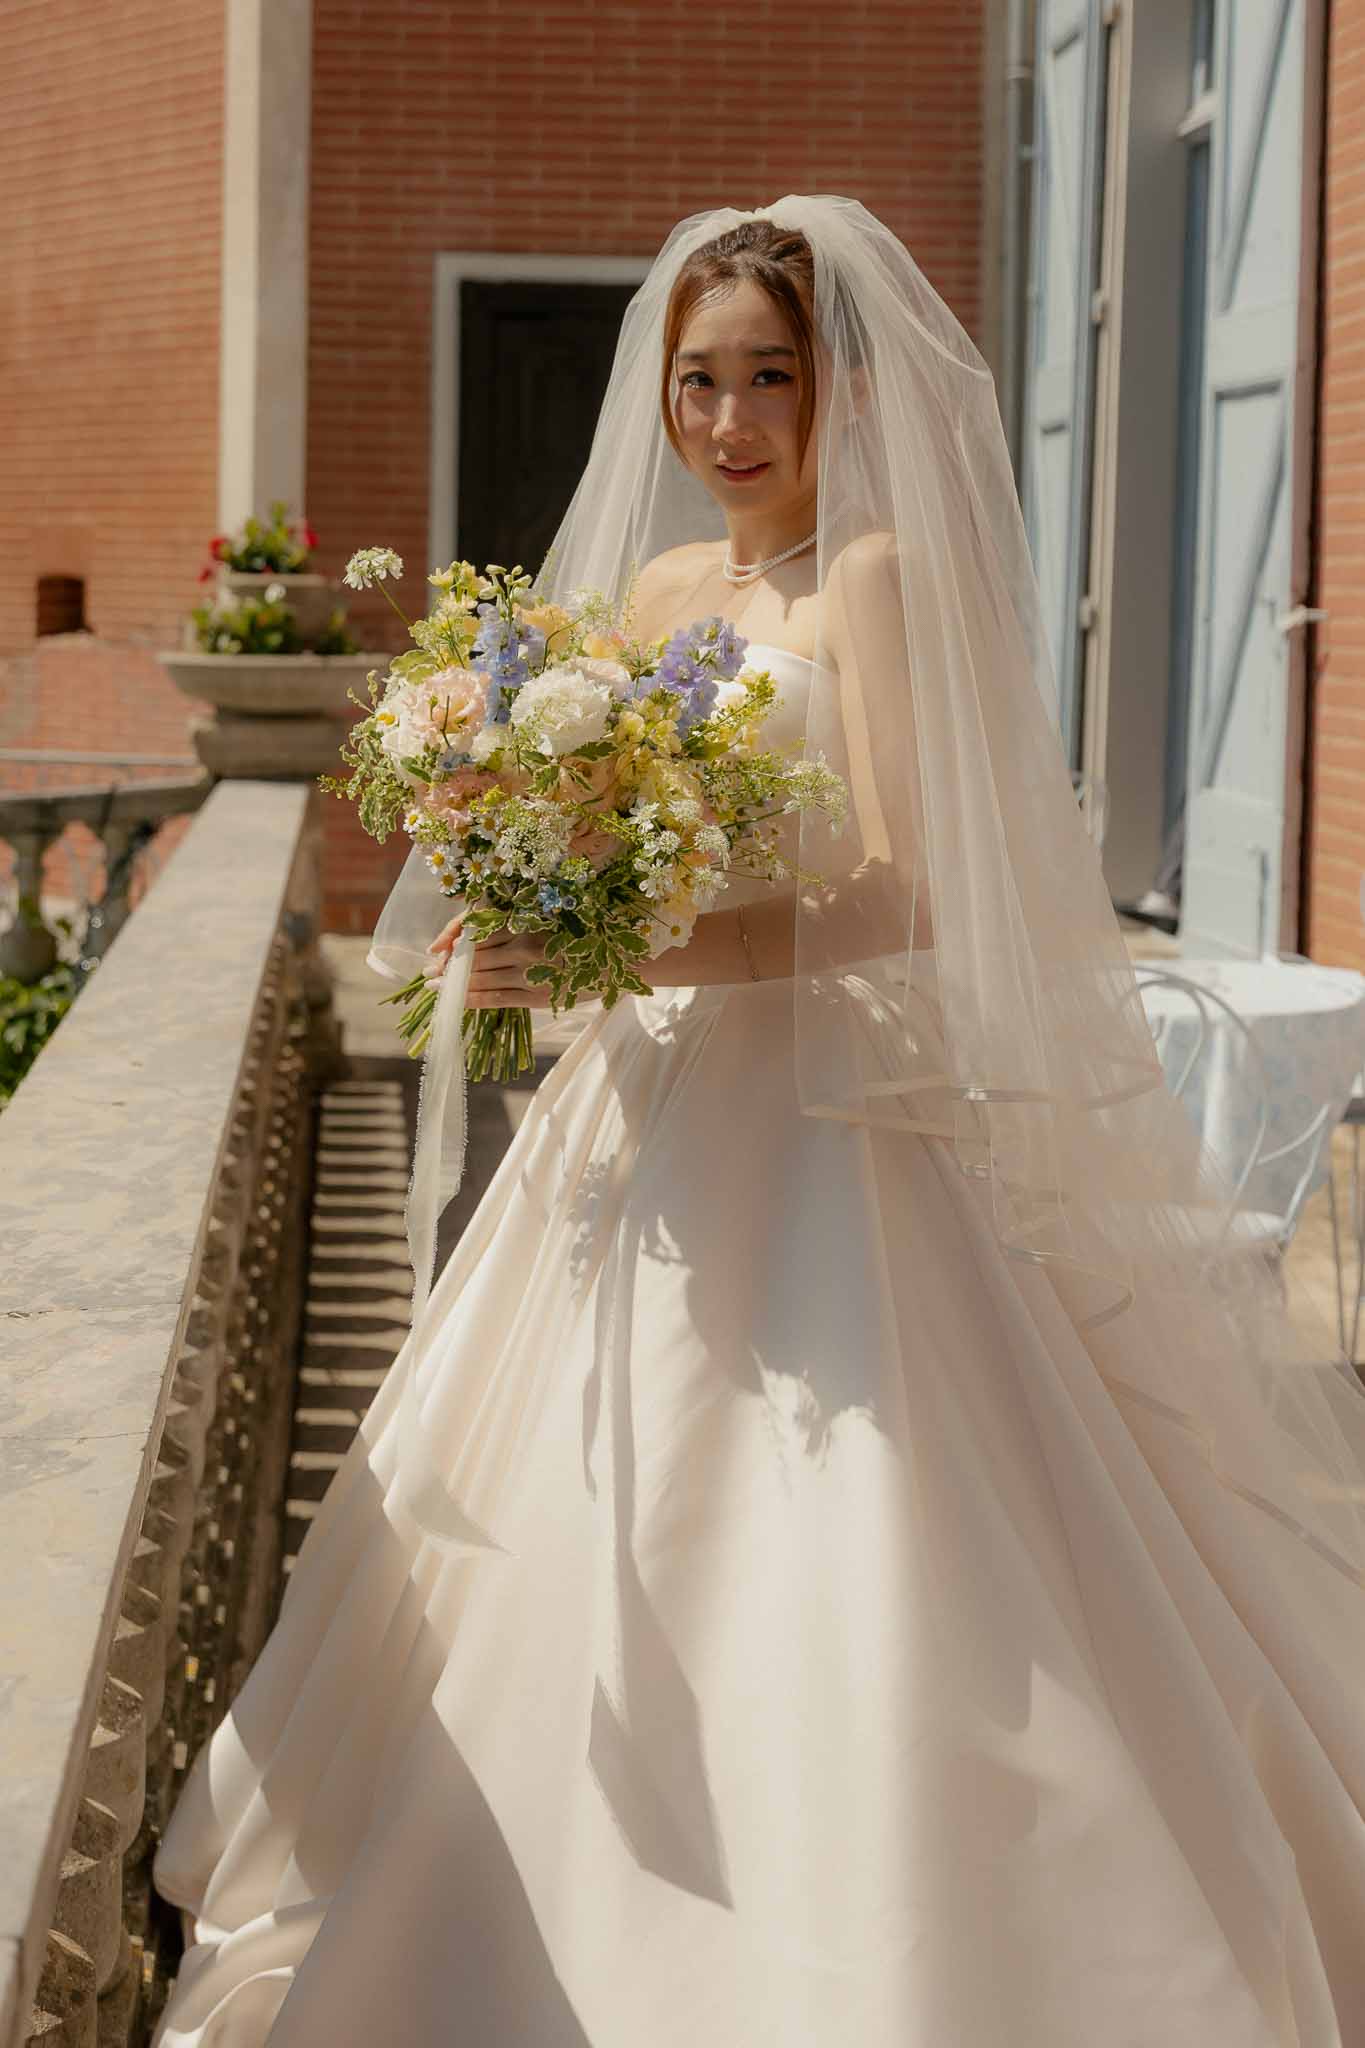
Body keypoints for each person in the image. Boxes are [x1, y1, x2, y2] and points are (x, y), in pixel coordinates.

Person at [150, 197, 1365, 2046]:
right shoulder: (649, 604)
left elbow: (907, 890)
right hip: (644, 1111)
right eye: (697, 381)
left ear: (836, 386)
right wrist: (537, 900)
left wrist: (660, 937)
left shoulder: (868, 577)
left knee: (869, 1514)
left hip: (824, 1117)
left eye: (767, 378)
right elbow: (609, 834)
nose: (728, 422)